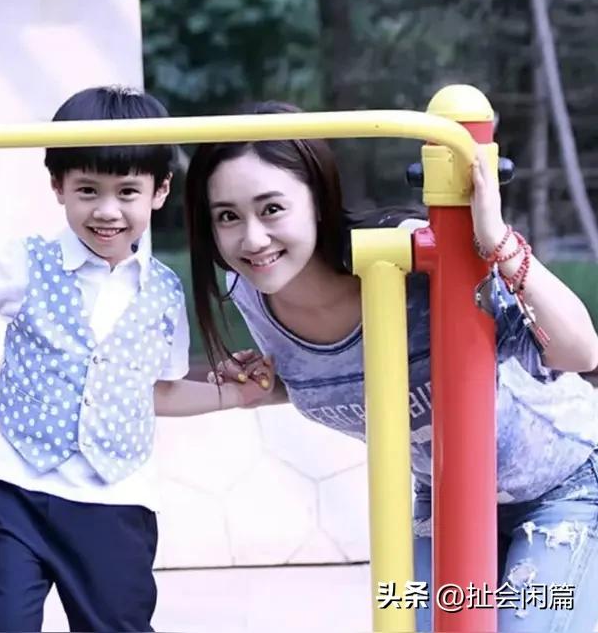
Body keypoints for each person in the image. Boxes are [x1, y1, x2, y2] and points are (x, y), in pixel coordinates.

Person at [185, 100, 598, 633]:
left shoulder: (410, 261)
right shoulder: (250, 291)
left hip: (567, 484)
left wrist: (495, 241)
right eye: (227, 216)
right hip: (446, 496)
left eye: (271, 209)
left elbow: (581, 352)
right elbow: (354, 376)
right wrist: (269, 385)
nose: (252, 238)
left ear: (318, 199)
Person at [0, 85, 275, 633]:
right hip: (11, 490)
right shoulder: (26, 262)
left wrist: (234, 394)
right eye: (88, 190)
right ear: (58, 187)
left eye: (128, 191)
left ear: (160, 190)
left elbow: (157, 392)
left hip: (115, 501)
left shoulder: (164, 292)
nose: (107, 210)